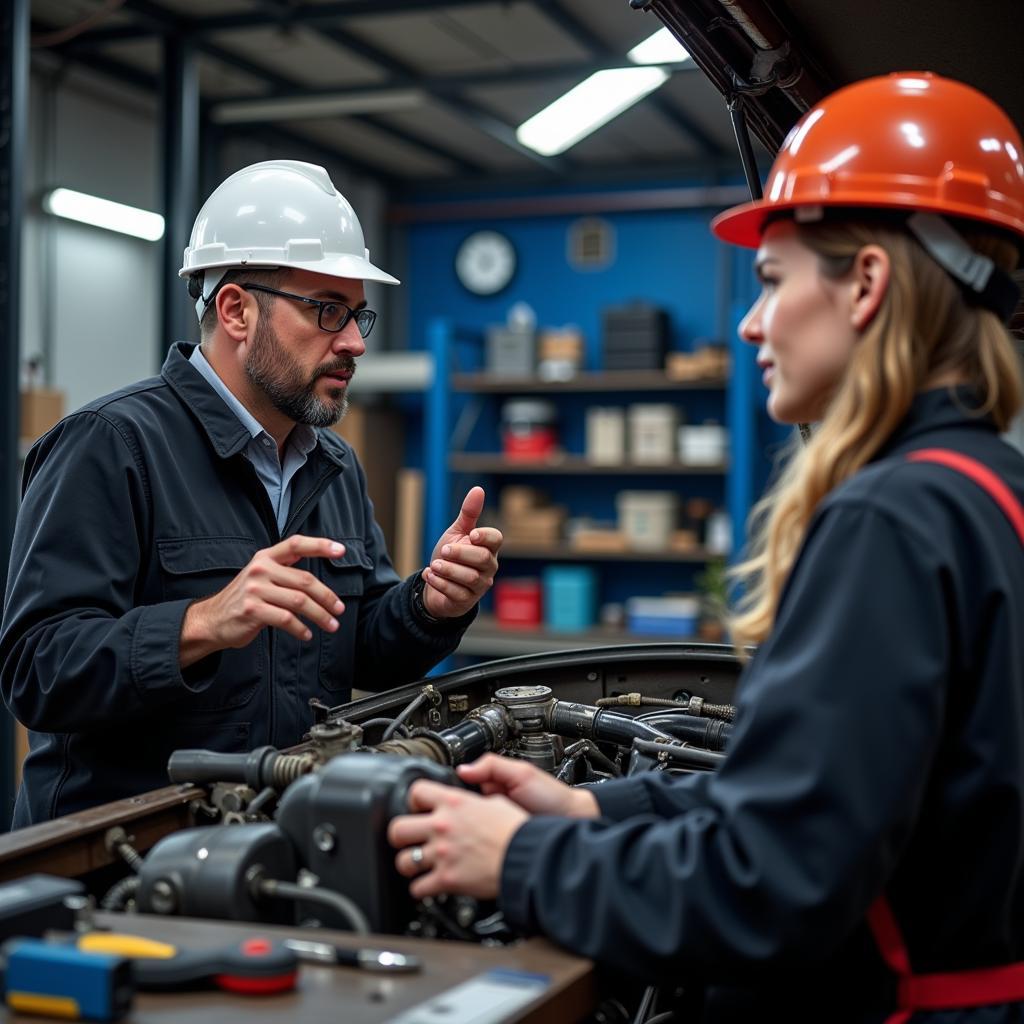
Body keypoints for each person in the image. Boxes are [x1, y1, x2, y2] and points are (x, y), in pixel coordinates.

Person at [388, 73, 1024, 1021]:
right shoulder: (989, 494)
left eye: (771, 282)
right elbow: (835, 804)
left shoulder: (890, 520)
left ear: (866, 284)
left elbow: (771, 884)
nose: (748, 323)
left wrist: (518, 858)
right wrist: (597, 811)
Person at [1, 159, 502, 828]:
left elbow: (364, 654)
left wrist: (432, 605)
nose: (353, 342)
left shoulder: (333, 463)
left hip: (278, 842)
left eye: (357, 315)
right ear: (236, 309)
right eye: (327, 310)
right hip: (121, 863)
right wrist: (201, 623)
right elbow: (37, 671)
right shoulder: (111, 445)